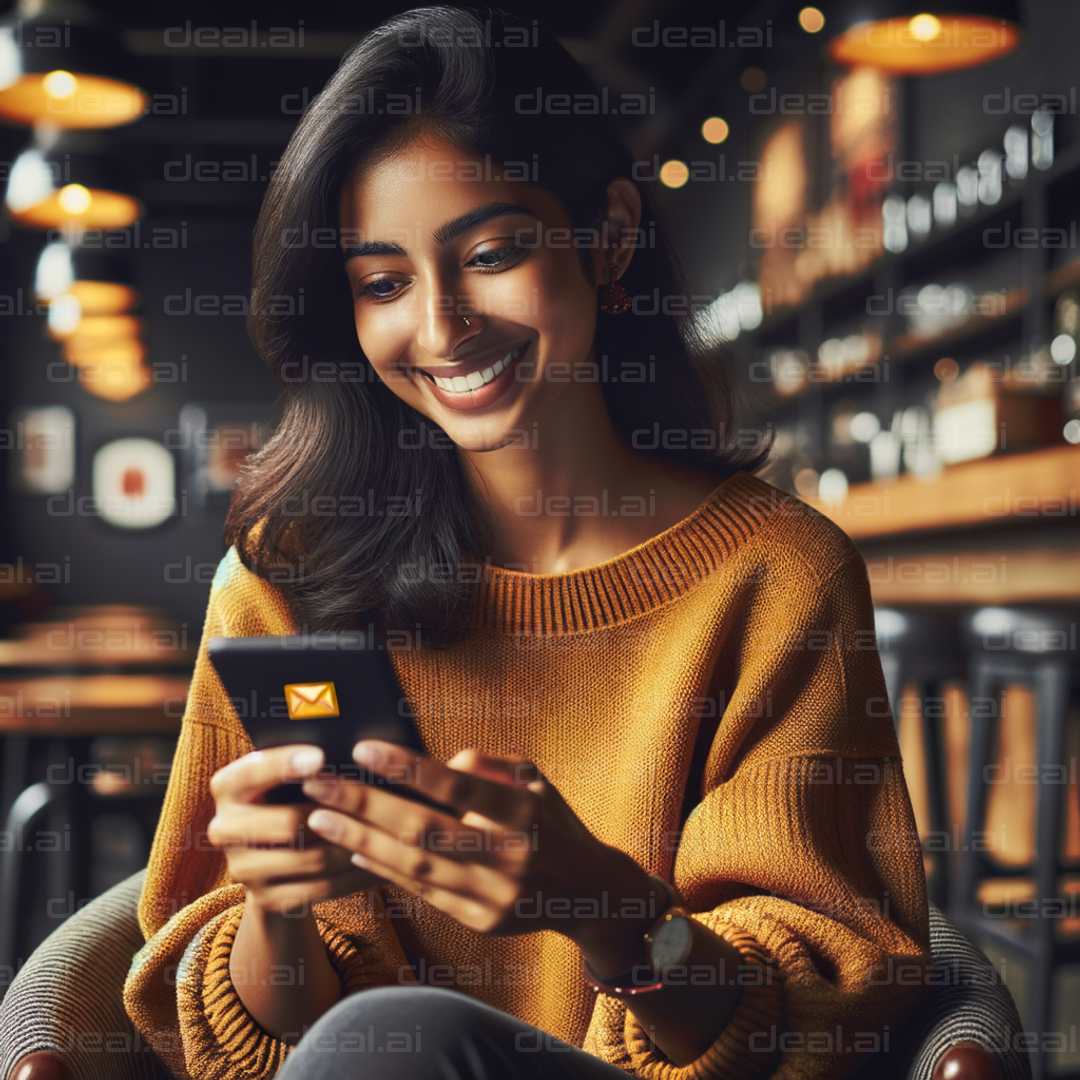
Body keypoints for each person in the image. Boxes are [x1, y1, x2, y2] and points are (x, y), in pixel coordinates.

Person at [123, 7, 931, 1079]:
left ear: (609, 236)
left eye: (491, 253)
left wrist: (607, 912)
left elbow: (811, 1024)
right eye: (382, 283)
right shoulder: (286, 583)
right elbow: (253, 1051)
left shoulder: (777, 577)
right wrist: (275, 909)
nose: (442, 326)